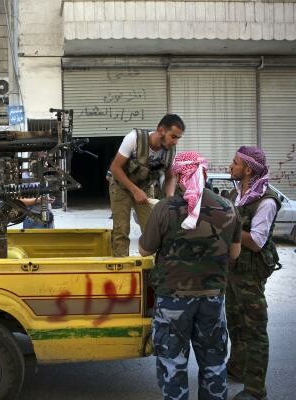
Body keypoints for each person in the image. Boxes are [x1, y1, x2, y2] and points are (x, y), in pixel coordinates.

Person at [138, 151, 242, 400]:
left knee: (173, 365)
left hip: (173, 300)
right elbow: (235, 254)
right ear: (204, 173)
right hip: (212, 300)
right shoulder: (228, 208)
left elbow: (145, 249)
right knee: (214, 363)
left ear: (180, 176)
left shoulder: (166, 207)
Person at [226, 146, 281, 400]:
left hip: (251, 272)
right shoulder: (239, 192)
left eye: (235, 163)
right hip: (234, 269)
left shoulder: (266, 200)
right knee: (235, 321)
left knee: (254, 328)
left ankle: (256, 390)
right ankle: (237, 368)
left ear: (248, 169)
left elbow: (257, 241)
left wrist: (225, 227)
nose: (231, 166)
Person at [108, 113, 185, 256]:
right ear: (161, 130)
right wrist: (134, 190)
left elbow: (170, 177)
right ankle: (121, 269)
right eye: (173, 137)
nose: (175, 142)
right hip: (121, 186)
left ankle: (152, 268)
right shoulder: (134, 139)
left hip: (145, 187)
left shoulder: (170, 151)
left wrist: (169, 198)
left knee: (152, 229)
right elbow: (115, 168)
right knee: (121, 230)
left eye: (178, 138)